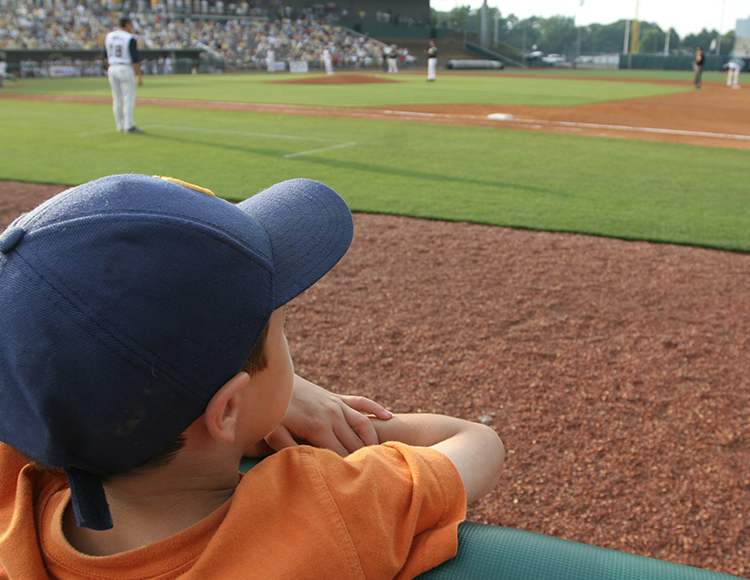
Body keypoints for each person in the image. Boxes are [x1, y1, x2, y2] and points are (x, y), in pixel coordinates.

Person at [0, 174, 505, 578]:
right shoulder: (323, 513)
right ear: (227, 408)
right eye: (284, 332)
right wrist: (298, 412)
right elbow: (474, 442)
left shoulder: (17, 500)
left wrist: (225, 406)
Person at [103, 16, 143, 134]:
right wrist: (139, 75)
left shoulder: (109, 36)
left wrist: (109, 67)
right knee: (128, 98)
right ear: (127, 24)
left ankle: (120, 125)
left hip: (112, 67)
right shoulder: (129, 37)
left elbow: (104, 56)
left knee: (116, 99)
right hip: (125, 67)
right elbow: (135, 60)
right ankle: (129, 125)